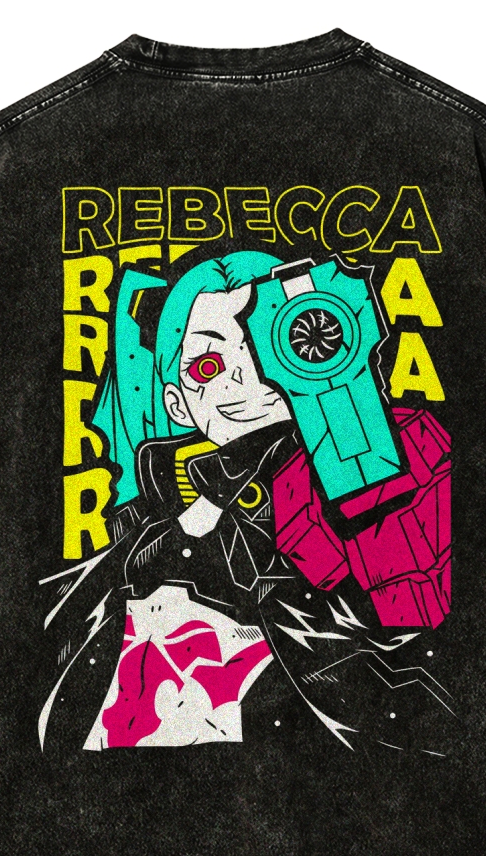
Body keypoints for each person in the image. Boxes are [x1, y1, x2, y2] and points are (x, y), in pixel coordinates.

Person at [39, 252, 456, 756]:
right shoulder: (151, 526)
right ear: (177, 404)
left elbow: (413, 648)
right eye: (209, 365)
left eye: (261, 345)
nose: (244, 378)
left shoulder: (392, 453)